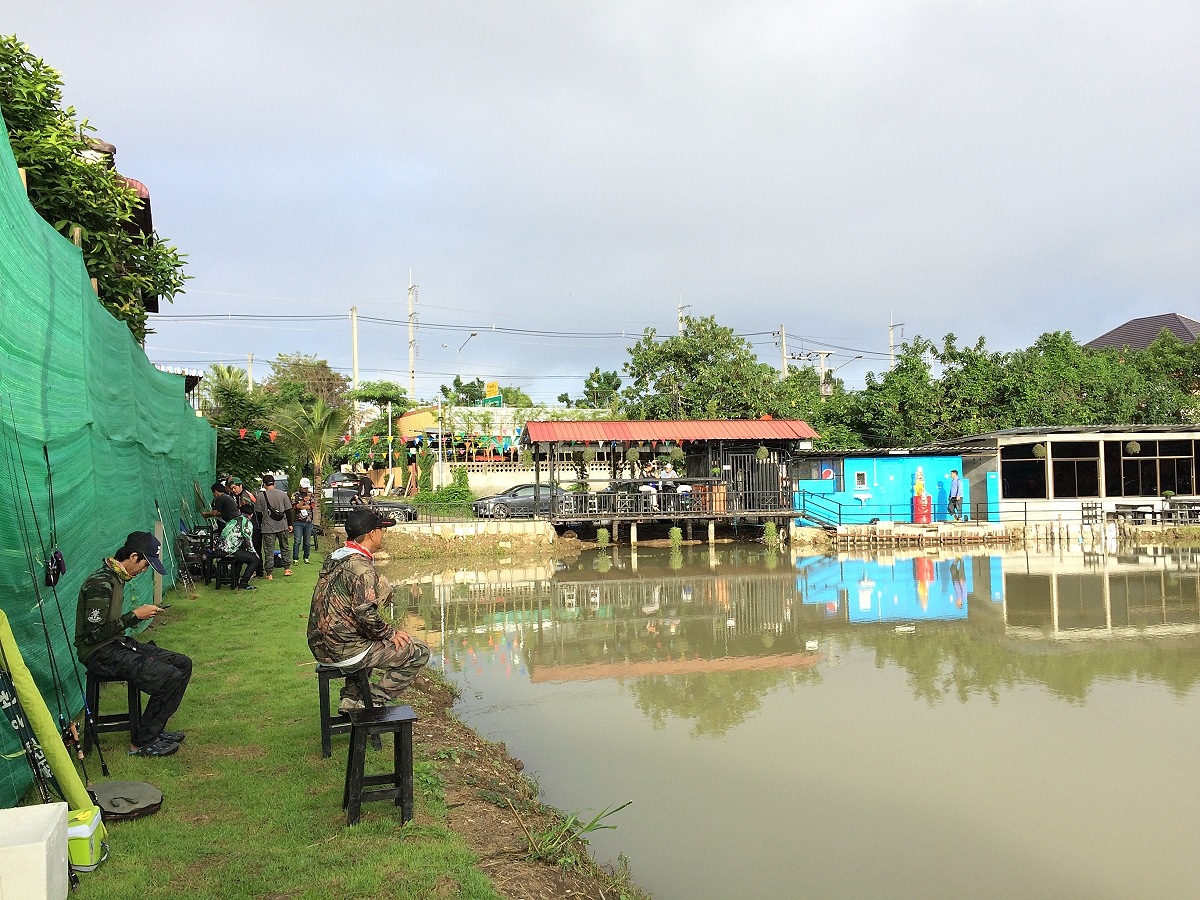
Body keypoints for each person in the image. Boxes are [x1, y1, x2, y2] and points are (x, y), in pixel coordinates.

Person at [74, 532, 192, 757]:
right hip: (98, 653)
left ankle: (153, 731)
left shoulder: (116, 577)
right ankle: (141, 744)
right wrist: (134, 616)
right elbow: (92, 635)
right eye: (145, 565)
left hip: (115, 645)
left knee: (182, 664)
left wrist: (134, 617)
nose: (144, 571)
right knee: (169, 677)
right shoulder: (102, 582)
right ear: (134, 556)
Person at [308, 507, 430, 713]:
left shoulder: (337, 557)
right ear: (372, 534)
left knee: (368, 637)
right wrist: (391, 633)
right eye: (381, 529)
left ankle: (350, 699)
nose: (384, 534)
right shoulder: (362, 568)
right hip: (342, 649)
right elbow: (365, 613)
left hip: (320, 643)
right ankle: (371, 700)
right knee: (419, 652)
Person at [255, 474, 293, 579]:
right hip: (282, 524)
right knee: (285, 547)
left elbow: (258, 513)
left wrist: (261, 523)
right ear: (274, 483)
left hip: (267, 527)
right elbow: (288, 511)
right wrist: (290, 524)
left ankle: (269, 573)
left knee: (268, 549)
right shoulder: (283, 494)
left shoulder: (260, 496)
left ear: (264, 484)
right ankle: (287, 568)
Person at [220, 502, 261, 589]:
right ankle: (244, 582)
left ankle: (234, 581)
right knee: (255, 560)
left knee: (241, 556)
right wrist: (254, 553)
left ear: (239, 511)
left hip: (221, 549)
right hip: (230, 550)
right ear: (251, 514)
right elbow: (248, 540)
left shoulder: (233, 520)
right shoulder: (247, 523)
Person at [292, 477, 317, 564]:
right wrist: (303, 501)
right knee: (297, 541)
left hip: (308, 521)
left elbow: (312, 506)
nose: (305, 489)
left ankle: (306, 557)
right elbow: (295, 507)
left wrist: (302, 506)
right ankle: (295, 558)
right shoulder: (295, 495)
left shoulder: (311, 494)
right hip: (298, 521)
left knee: (307, 541)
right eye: (304, 487)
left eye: (306, 487)